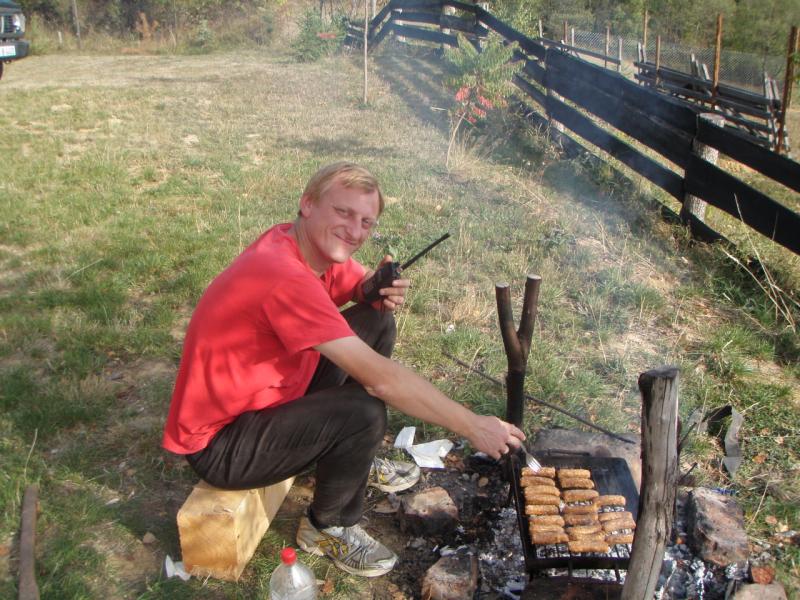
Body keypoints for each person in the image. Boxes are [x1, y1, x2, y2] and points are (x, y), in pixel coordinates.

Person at [162, 161, 525, 577]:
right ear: (308, 204)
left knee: (376, 320)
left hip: (271, 399)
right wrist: (473, 425)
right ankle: (327, 527)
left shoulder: (300, 245)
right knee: (364, 412)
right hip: (222, 445)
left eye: (366, 222)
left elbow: (356, 284)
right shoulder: (283, 276)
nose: (354, 231)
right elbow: (382, 380)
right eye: (343, 212)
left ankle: (351, 458)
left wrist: (375, 288)